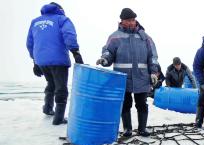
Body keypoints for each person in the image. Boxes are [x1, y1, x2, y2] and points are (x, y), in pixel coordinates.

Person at [96, 8, 159, 137]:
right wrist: (104, 59)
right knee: (125, 103)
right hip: (122, 78)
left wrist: (153, 72)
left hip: (142, 77)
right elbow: (108, 52)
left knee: (142, 103)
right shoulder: (114, 37)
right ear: (122, 21)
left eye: (133, 20)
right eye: (128, 20)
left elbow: (153, 56)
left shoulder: (145, 37)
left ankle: (142, 128)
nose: (131, 23)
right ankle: (127, 129)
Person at [26, 2, 83, 125]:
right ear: (60, 9)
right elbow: (69, 35)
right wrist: (75, 52)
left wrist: (35, 61)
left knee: (51, 83)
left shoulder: (35, 22)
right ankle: (59, 118)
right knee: (61, 88)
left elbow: (30, 43)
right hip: (58, 60)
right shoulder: (62, 19)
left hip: (41, 60)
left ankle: (47, 108)